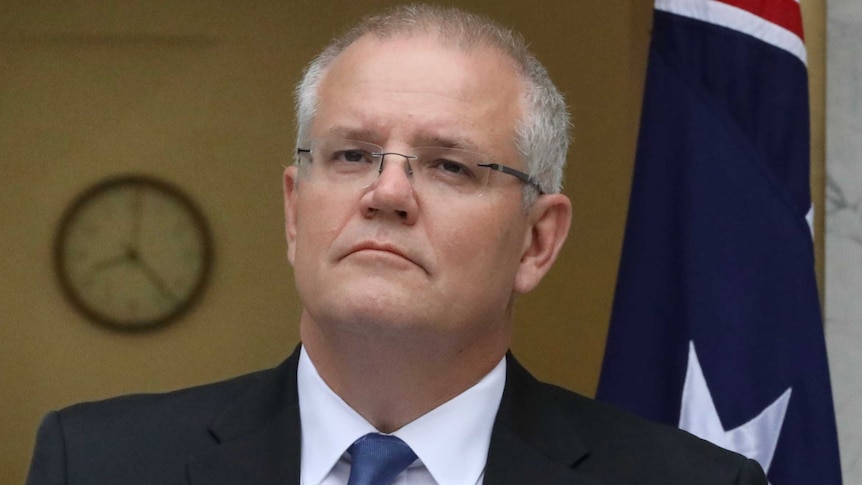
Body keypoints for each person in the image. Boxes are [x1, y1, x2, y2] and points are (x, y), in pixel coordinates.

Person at [26, 4, 767, 484]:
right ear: (294, 210)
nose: (386, 193)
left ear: (538, 241)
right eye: (350, 155)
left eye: (449, 165)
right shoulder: (95, 462)